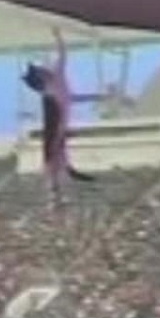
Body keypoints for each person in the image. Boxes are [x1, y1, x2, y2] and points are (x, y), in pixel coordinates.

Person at [22, 27, 95, 195]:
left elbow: (63, 56)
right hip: (57, 124)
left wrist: (58, 37)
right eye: (40, 70)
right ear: (41, 78)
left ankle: (58, 182)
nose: (43, 68)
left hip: (59, 124)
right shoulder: (50, 90)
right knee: (55, 153)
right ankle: (56, 183)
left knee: (56, 154)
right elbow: (61, 109)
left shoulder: (56, 78)